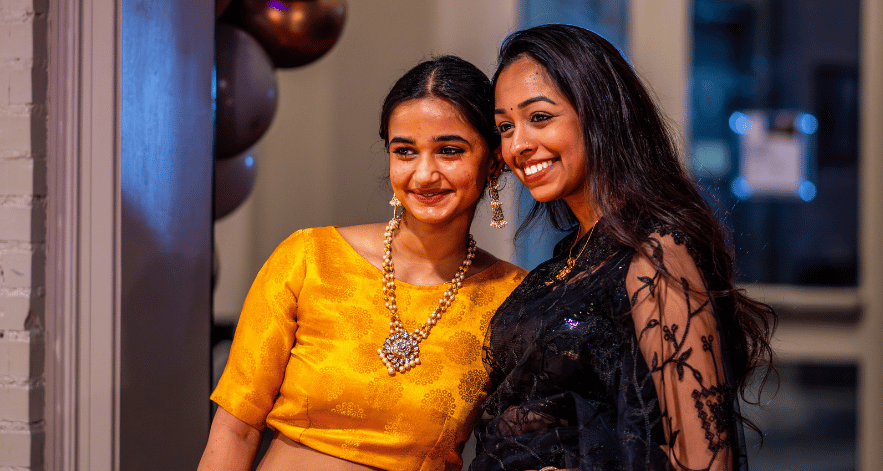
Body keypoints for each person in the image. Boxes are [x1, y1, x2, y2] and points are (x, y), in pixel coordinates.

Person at [469, 24, 776, 471]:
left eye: (539, 118)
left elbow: (707, 460)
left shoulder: (657, 256)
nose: (518, 145)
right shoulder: (564, 262)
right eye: (505, 127)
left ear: (599, 113)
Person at [198, 55, 527, 471]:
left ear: (493, 162)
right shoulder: (310, 258)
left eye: (449, 151)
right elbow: (236, 430)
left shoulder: (514, 298)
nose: (424, 174)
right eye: (405, 151)